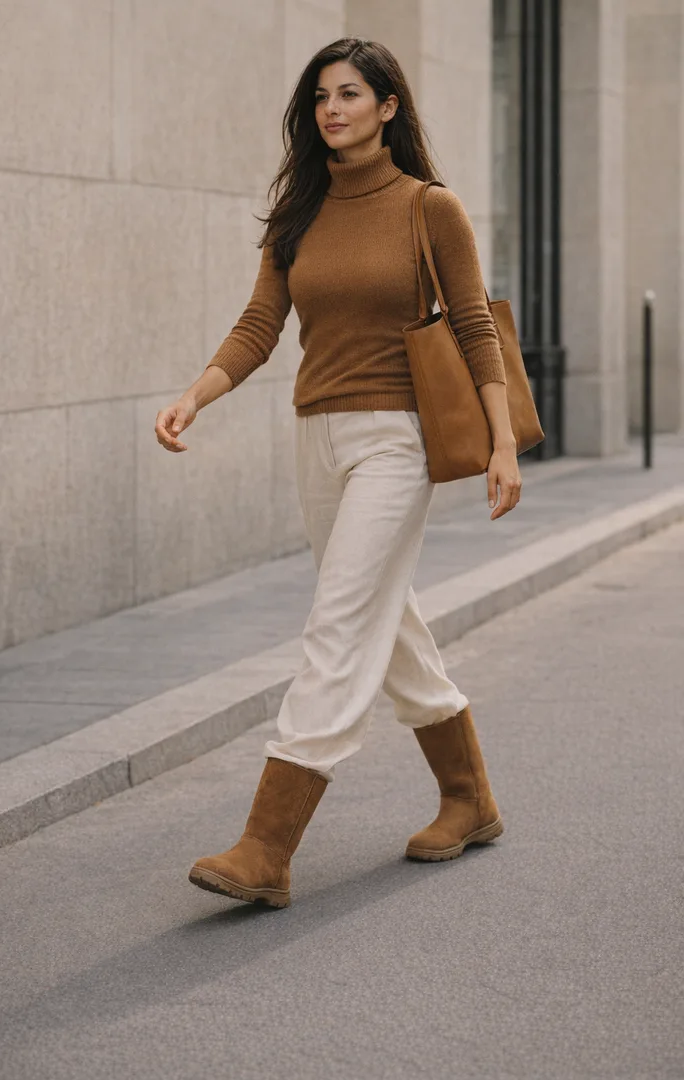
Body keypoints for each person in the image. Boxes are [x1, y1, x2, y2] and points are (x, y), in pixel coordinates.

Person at [154, 37, 522, 910]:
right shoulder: (301, 211)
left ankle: (268, 846)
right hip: (316, 436)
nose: (333, 108)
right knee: (384, 619)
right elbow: (258, 324)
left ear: (388, 105)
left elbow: (474, 328)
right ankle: (469, 798)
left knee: (338, 625)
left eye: (351, 93)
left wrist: (503, 444)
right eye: (321, 95)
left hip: (397, 440)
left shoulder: (429, 207)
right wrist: (195, 395)